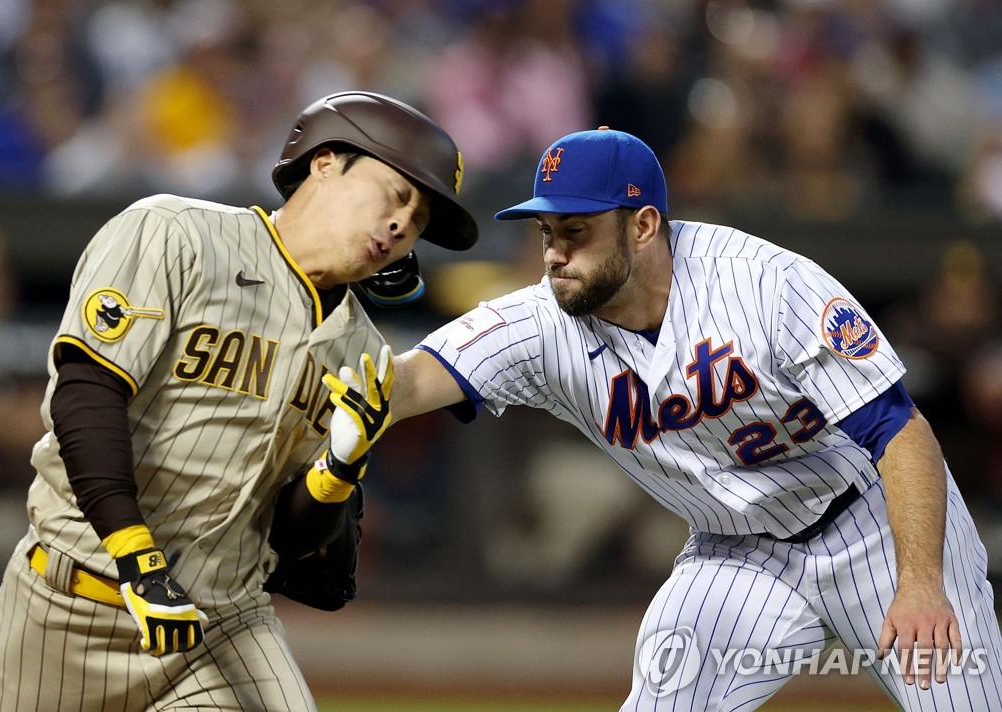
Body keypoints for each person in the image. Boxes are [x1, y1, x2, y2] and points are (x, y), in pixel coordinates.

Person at [390, 127, 1002, 710]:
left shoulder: (764, 283)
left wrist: (921, 582)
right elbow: (408, 381)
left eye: (575, 230)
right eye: (547, 231)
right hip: (736, 556)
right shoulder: (541, 322)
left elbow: (900, 431)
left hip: (878, 526)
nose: (554, 254)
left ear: (644, 225)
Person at [0, 90, 478, 711]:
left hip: (223, 622)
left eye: (421, 219)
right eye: (397, 194)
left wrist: (340, 469)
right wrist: (140, 559)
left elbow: (306, 561)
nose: (405, 225)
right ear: (325, 162)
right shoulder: (175, 233)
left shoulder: (362, 353)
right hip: (71, 603)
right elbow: (87, 396)